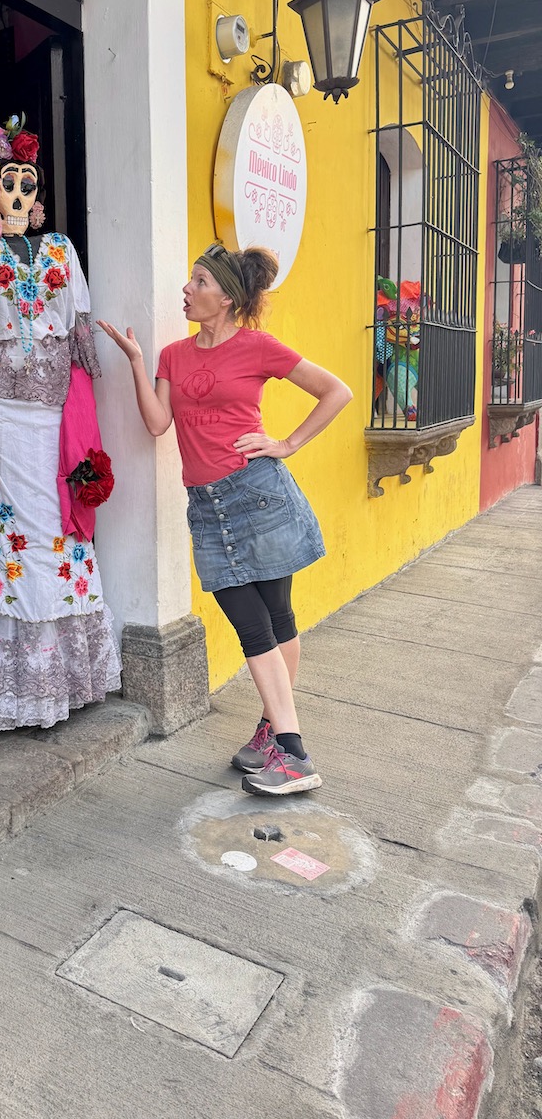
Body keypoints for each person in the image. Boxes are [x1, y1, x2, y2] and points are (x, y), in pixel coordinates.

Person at [98, 242, 352, 794]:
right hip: (208, 506)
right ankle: (275, 734)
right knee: (255, 622)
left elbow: (337, 392)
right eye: (190, 280)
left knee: (273, 620)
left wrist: (287, 443)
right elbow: (158, 423)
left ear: (228, 298)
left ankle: (291, 753)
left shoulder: (258, 347)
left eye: (200, 282)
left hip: (258, 494)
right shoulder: (172, 355)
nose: (187, 289)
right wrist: (137, 363)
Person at [0, 115, 121, 730]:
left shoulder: (62, 252)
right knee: (6, 542)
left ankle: (60, 678)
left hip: (55, 426)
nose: (17, 193)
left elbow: (79, 350)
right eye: (6, 182)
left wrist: (85, 437)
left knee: (58, 536)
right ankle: (1, 687)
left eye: (27, 183)